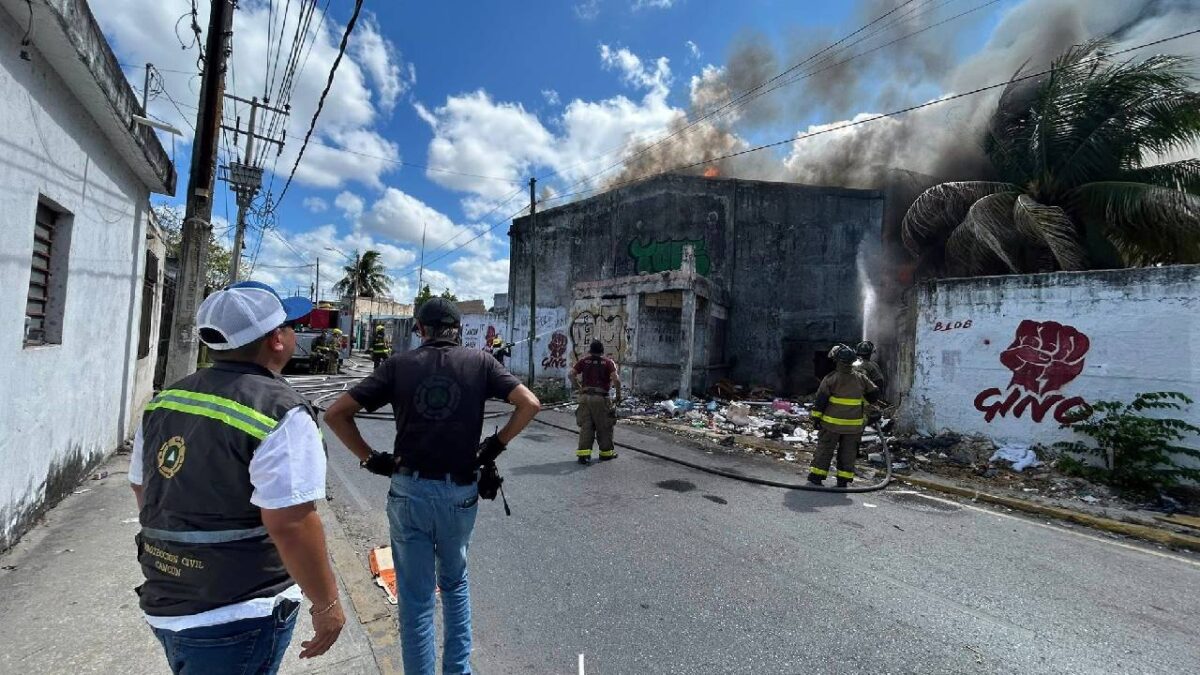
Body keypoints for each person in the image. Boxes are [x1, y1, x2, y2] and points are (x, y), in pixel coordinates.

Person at [130, 281, 345, 674]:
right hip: (238, 611)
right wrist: (327, 604)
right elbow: (292, 523)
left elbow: (144, 486)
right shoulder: (280, 411)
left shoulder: (166, 400)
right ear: (277, 339)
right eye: (290, 325)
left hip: (166, 597)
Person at [323, 298, 541, 675]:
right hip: (460, 493)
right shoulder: (481, 362)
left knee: (416, 599)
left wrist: (371, 458)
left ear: (420, 331)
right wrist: (496, 444)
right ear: (457, 330)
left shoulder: (398, 366)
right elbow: (529, 404)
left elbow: (335, 413)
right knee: (455, 584)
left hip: (409, 492)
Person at [807, 344, 882, 488]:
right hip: (853, 426)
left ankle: (816, 476)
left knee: (825, 449)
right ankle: (843, 480)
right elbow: (874, 394)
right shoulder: (861, 378)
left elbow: (820, 401)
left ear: (837, 361)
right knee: (848, 453)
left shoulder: (831, 378)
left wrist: (816, 419)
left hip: (831, 425)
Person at [570, 339, 622, 465]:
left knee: (586, 426)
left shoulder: (583, 361)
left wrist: (579, 388)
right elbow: (616, 380)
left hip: (585, 397)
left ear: (590, 351)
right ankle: (606, 453)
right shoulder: (608, 362)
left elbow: (571, 374)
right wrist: (618, 395)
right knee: (604, 425)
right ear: (602, 351)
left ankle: (583, 455)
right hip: (600, 397)